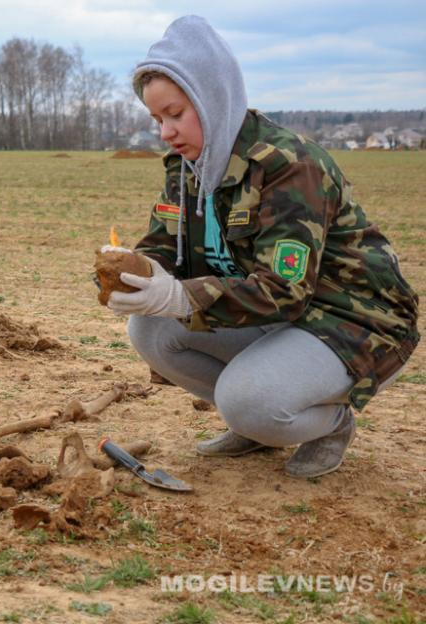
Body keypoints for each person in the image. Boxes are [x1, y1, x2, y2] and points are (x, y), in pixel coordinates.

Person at [104, 16, 419, 478]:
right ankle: (257, 424)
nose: (165, 132)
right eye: (157, 119)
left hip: (351, 319)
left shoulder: (289, 166)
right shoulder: (187, 168)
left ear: (213, 100)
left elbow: (284, 290)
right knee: (150, 329)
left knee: (248, 400)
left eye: (175, 113)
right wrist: (131, 271)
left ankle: (326, 423)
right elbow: (161, 246)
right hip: (278, 318)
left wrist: (176, 295)